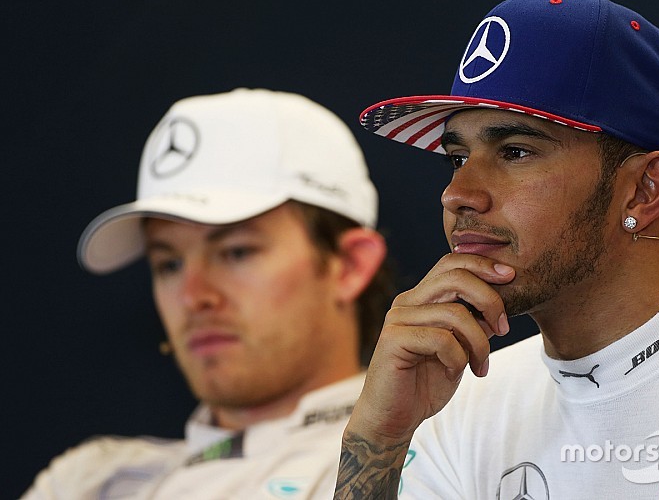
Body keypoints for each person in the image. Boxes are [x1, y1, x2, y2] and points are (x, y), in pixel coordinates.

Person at [335, 0, 659, 499]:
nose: (458, 193)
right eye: (456, 157)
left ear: (645, 190)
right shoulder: (457, 404)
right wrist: (378, 436)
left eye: (515, 151)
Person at [23, 88, 393, 499]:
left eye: (236, 252)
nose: (192, 297)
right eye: (169, 264)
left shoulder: (435, 448)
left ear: (350, 265)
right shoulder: (89, 481)